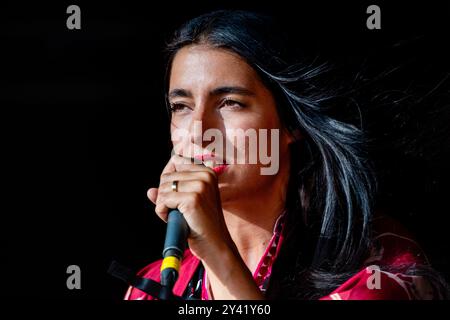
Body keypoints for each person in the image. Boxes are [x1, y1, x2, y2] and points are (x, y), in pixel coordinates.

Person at [125, 10, 448, 300]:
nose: (198, 131)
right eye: (181, 107)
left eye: (230, 103)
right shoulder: (154, 286)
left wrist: (218, 254)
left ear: (291, 123)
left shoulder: (380, 271)